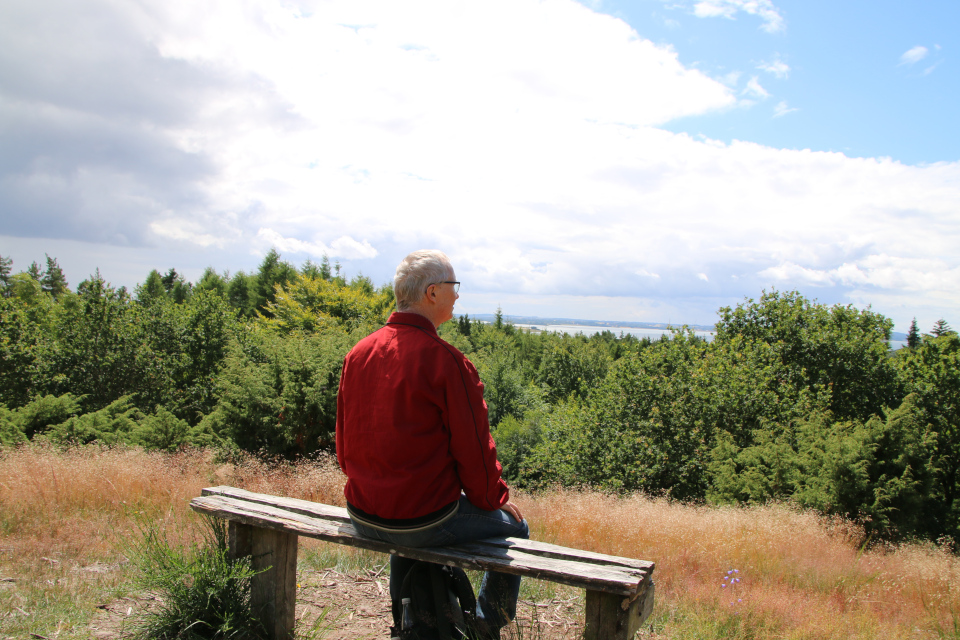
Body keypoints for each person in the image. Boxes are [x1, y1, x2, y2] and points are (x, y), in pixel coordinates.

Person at [336, 249, 529, 638]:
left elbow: (344, 448)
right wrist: (495, 499)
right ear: (432, 293)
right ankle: (486, 623)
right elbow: (475, 453)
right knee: (516, 527)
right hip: (423, 521)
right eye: (453, 286)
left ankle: (406, 617)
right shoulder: (446, 361)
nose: (457, 295)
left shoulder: (359, 353)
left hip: (362, 512)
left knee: (408, 518)